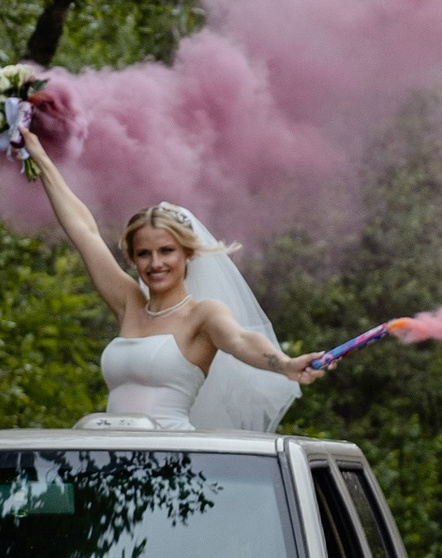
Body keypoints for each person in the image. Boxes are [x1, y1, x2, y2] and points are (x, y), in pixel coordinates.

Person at [26, 149, 315, 429]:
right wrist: (39, 156)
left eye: (166, 251)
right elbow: (84, 231)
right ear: (132, 258)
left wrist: (286, 364)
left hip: (171, 462)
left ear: (187, 253)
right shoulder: (129, 304)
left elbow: (240, 340)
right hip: (110, 456)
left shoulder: (203, 315)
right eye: (144, 254)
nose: (155, 263)